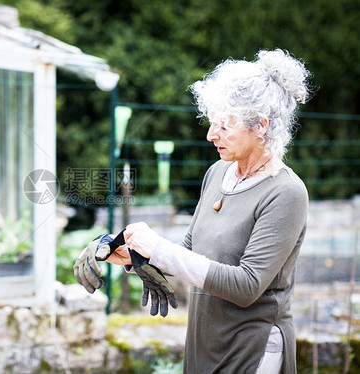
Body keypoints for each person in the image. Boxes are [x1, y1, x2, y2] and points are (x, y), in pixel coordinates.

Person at [106, 49, 311, 373]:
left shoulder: (285, 193)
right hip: (205, 341)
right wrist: (136, 255)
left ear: (261, 126)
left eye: (225, 126)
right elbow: (189, 251)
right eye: (212, 122)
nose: (210, 135)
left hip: (252, 348)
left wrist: (159, 249)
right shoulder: (218, 172)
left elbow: (246, 286)